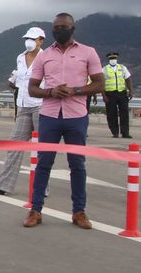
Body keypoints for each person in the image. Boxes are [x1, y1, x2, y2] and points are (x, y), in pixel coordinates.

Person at [23, 13, 104, 230]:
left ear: (72, 28)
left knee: (77, 165)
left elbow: (99, 84)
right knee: (43, 164)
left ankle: (79, 212)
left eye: (63, 27)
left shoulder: (88, 53)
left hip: (76, 116)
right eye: (56, 27)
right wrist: (51, 92)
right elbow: (32, 88)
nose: (59, 30)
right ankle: (35, 211)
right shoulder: (44, 56)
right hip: (49, 116)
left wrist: (76, 90)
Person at [0, 27, 46, 195]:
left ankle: (42, 187)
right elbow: (19, 80)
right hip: (23, 105)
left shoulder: (46, 57)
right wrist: (13, 80)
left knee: (41, 149)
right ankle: (3, 185)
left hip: (41, 105)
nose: (29, 41)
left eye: (33, 39)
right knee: (14, 145)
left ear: (41, 40)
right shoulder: (20, 57)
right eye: (27, 38)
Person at [102, 52, 133, 138]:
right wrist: (103, 95)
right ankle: (114, 132)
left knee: (124, 113)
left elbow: (128, 79)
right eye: (111, 59)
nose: (113, 60)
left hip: (122, 93)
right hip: (110, 94)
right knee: (111, 114)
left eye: (114, 59)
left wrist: (130, 91)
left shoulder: (122, 68)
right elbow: (101, 83)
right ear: (108, 60)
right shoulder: (104, 69)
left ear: (117, 59)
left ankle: (125, 133)